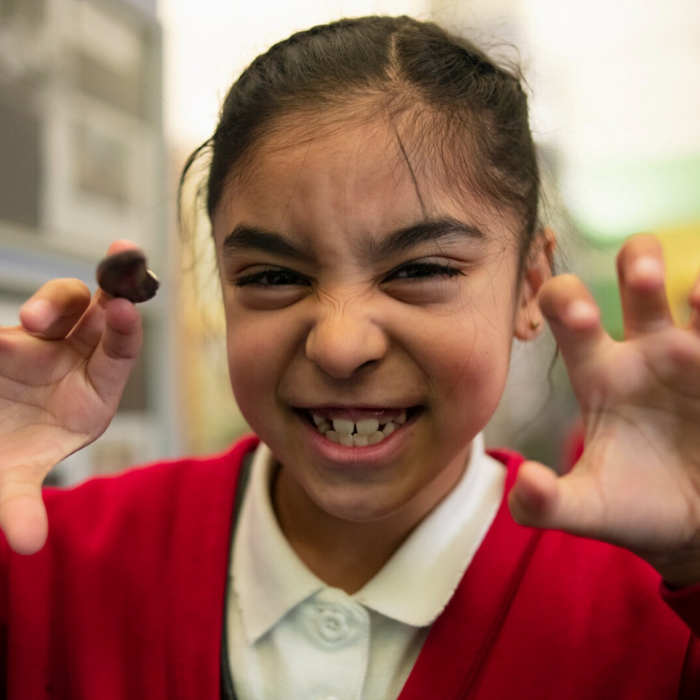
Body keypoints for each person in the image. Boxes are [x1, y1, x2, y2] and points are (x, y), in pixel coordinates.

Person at [1, 15, 699, 699]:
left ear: (529, 285)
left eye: (420, 269)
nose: (339, 346)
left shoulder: (662, 601)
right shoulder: (46, 559)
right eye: (272, 277)